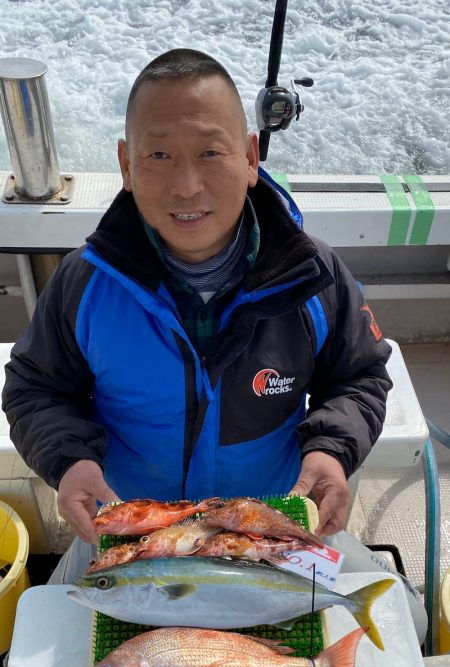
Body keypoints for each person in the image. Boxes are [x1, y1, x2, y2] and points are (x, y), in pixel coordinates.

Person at [1, 48, 392, 580]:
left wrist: (332, 450)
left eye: (210, 152)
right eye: (158, 156)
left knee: (396, 624)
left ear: (251, 158)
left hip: (270, 529)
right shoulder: (83, 283)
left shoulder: (314, 278)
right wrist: (70, 462)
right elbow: (34, 387)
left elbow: (360, 375)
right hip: (134, 532)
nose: (186, 186)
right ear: (125, 165)